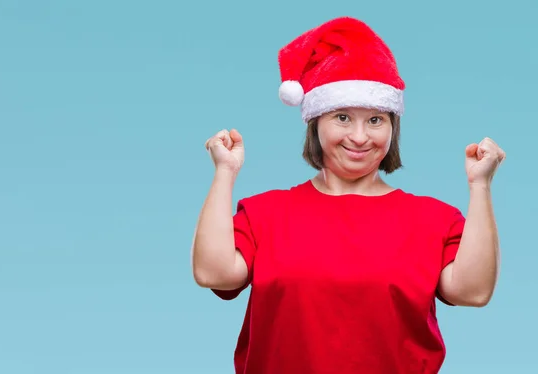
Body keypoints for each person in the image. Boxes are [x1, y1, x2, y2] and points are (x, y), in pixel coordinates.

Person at [191, 16, 505, 374]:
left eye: (375, 120)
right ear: (316, 123)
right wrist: (225, 172)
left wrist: (480, 186)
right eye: (342, 117)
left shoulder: (434, 220)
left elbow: (473, 292)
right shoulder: (267, 214)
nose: (359, 137)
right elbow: (213, 272)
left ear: (393, 127)